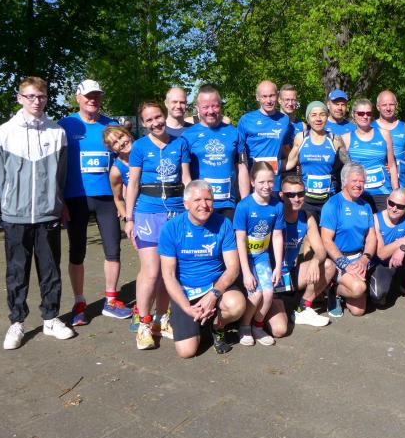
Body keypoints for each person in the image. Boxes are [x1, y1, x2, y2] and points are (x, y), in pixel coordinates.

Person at [0, 76, 75, 349]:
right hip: (15, 215)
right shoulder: (4, 132)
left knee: (50, 269)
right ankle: (17, 322)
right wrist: (8, 203)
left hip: (47, 214)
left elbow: (61, 175)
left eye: (41, 96)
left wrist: (56, 202)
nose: (36, 101)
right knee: (17, 270)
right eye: (30, 96)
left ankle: (50, 318)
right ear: (20, 98)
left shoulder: (57, 132)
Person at [59, 79, 132, 326]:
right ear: (78, 98)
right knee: (77, 251)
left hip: (107, 199)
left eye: (97, 96)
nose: (93, 100)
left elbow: (125, 158)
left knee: (113, 249)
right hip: (75, 197)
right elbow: (56, 163)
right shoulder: (66, 125)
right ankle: (79, 302)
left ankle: (111, 300)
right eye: (89, 96)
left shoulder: (111, 125)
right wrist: (59, 199)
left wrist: (124, 198)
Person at [125, 101, 191, 350]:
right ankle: (143, 323)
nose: (155, 123)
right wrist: (129, 218)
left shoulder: (180, 143)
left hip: (176, 212)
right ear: (143, 124)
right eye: (149, 120)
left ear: (164, 116)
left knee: (168, 272)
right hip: (147, 212)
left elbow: (186, 178)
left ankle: (161, 320)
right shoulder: (139, 147)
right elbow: (133, 184)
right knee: (151, 271)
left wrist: (191, 209)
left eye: (157, 117)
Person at [159, 180, 247, 357]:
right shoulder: (171, 228)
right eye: (197, 200)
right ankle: (183, 318)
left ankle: (217, 326)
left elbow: (233, 269)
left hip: (214, 286)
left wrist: (213, 295)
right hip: (186, 291)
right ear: (186, 204)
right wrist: (187, 308)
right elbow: (168, 275)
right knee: (187, 352)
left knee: (236, 305)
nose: (204, 205)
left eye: (208, 199)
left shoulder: (224, 224)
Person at [234, 162, 285, 346]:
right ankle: (244, 326)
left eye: (270, 181)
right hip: (245, 258)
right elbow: (240, 240)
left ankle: (258, 325)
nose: (266, 186)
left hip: (262, 256)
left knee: (269, 293)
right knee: (256, 294)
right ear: (252, 182)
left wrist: (278, 267)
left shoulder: (277, 206)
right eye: (262, 182)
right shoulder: (244, 206)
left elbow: (277, 236)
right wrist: (246, 272)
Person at [181, 84, 250, 221]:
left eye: (215, 106)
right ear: (197, 108)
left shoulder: (234, 133)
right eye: (205, 107)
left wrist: (245, 202)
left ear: (220, 106)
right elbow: (185, 174)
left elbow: (242, 169)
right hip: (200, 206)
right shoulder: (188, 136)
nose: (211, 111)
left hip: (228, 205)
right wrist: (190, 201)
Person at [273, 175, 333, 326]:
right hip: (272, 276)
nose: (296, 198)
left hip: (291, 273)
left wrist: (314, 261)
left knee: (328, 265)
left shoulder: (306, 217)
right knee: (279, 329)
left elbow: (320, 250)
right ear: (281, 195)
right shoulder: (273, 215)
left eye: (300, 194)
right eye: (290, 195)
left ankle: (303, 308)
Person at [320, 162, 376, 317]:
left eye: (362, 181)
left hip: (358, 257)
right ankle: (333, 290)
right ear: (344, 182)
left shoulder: (366, 206)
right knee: (358, 288)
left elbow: (371, 236)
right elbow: (326, 240)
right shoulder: (333, 205)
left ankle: (340, 289)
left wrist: (364, 259)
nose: (358, 185)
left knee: (358, 311)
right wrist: (346, 264)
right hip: (338, 259)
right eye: (354, 180)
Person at [284, 101, 349, 220]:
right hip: (305, 199)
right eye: (313, 115)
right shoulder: (301, 137)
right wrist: (268, 167)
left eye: (322, 114)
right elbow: (289, 163)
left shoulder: (335, 139)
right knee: (310, 230)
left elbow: (349, 166)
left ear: (327, 117)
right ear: (308, 119)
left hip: (328, 197)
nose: (318, 119)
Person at [342, 99, 398, 212]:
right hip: (358, 192)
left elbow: (392, 166)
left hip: (382, 192)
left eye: (368, 113)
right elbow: (345, 171)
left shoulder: (384, 134)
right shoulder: (346, 137)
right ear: (354, 114)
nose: (365, 116)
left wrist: (396, 192)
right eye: (361, 113)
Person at [370, 188, 405, 304]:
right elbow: (381, 254)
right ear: (387, 200)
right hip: (383, 264)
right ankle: (396, 286)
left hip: (402, 261)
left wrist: (403, 248)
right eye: (391, 203)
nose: (394, 208)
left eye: (400, 206)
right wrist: (403, 241)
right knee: (378, 297)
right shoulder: (376, 219)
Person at [237, 80, 295, 189]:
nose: (268, 101)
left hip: (275, 183)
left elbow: (286, 150)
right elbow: (238, 155)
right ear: (257, 97)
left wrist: (297, 163)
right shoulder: (246, 120)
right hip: (253, 183)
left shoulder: (284, 120)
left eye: (272, 96)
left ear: (277, 96)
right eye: (264, 96)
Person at [374, 90, 405, 190]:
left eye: (391, 104)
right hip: (377, 188)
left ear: (396, 105)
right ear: (378, 107)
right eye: (384, 105)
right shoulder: (370, 128)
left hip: (400, 186)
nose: (388, 108)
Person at [102, 125, 134, 220]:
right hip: (137, 214)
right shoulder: (116, 171)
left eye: (121, 137)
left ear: (128, 134)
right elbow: (118, 198)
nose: (121, 143)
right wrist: (127, 220)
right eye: (115, 143)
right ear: (112, 149)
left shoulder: (147, 151)